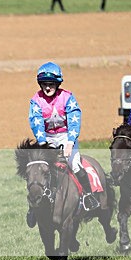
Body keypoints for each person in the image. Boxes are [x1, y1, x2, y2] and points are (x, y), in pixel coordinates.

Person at [27, 62, 99, 226]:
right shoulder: (36, 100)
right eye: (44, 84)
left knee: (75, 165)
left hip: (66, 136)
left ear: (57, 84)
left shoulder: (67, 97)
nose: (47, 88)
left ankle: (88, 196)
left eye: (51, 84)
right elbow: (36, 123)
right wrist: (43, 144)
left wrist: (70, 142)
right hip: (47, 138)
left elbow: (74, 120)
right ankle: (32, 207)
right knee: (36, 169)